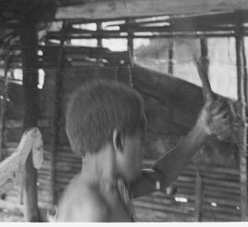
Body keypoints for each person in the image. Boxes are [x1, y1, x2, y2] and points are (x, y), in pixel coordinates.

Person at [55, 79, 232, 222]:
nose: (143, 150)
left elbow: (160, 176)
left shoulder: (114, 186)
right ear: (119, 141)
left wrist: (202, 129)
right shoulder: (90, 208)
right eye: (142, 141)